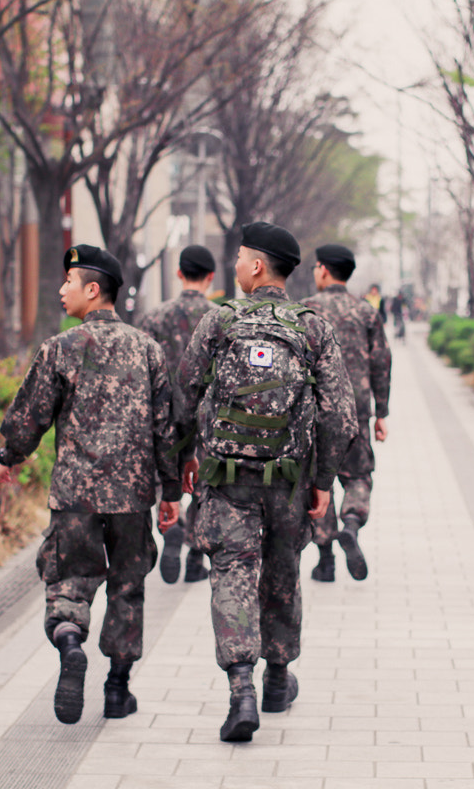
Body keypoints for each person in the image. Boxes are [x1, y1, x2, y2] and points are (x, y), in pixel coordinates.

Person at [173, 221, 357, 743]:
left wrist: (182, 458)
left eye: (239, 258)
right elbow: (339, 414)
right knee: (281, 572)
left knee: (232, 571)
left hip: (227, 479)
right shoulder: (312, 328)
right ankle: (278, 678)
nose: (232, 266)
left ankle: (240, 691)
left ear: (257, 267)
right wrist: (323, 481)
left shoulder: (219, 321)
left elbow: (185, 397)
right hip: (289, 481)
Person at [0, 244, 182, 725]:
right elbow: (167, 429)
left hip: (75, 496)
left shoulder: (60, 348)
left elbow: (30, 416)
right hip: (132, 498)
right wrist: (171, 493)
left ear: (92, 290)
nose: (62, 290)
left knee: (69, 582)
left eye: (69, 282)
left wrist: (8, 457)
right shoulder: (147, 350)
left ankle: (70, 642)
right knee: (127, 589)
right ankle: (117, 690)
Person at [303, 245, 392, 582]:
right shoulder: (366, 312)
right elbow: (381, 361)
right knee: (358, 477)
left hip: (314, 412)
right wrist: (381, 412)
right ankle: (351, 524)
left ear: (324, 270)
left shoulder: (305, 311)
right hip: (356, 410)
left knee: (316, 481)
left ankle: (325, 560)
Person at [137, 244, 218, 584]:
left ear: (179, 273)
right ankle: (197, 557)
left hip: (165, 415)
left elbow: (139, 372)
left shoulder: (153, 319)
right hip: (209, 418)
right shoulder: (222, 317)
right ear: (211, 277)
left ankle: (172, 525)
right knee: (206, 484)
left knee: (167, 477)